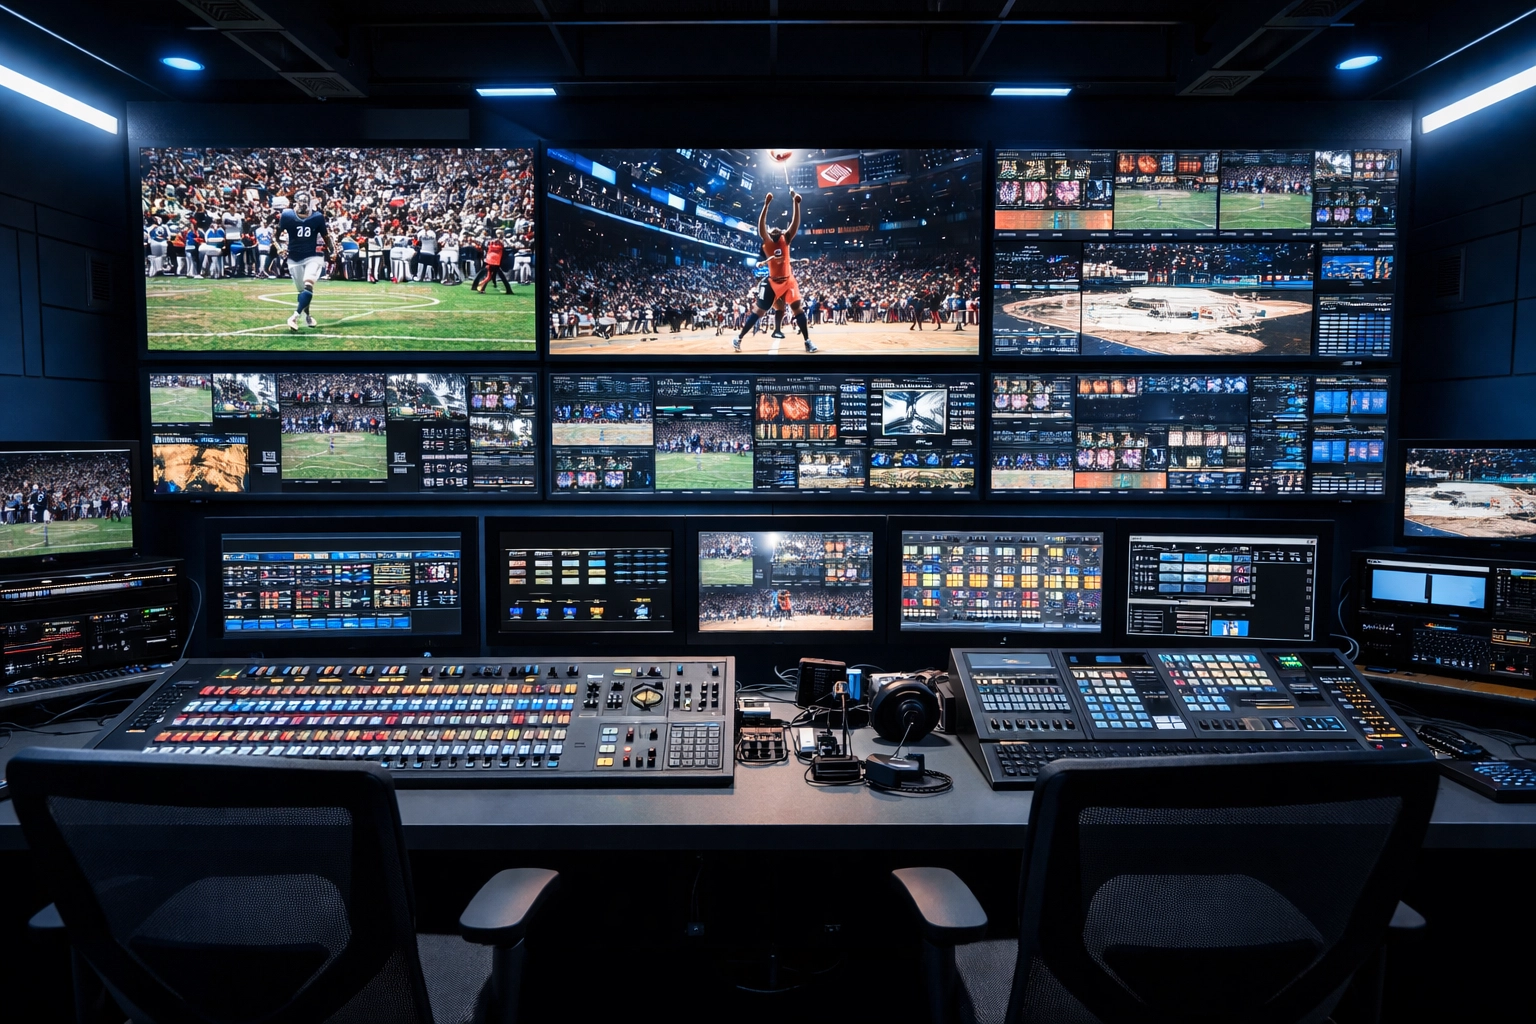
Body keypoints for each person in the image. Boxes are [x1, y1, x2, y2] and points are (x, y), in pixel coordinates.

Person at [732, 191, 816, 353]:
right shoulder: (768, 242)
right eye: (773, 229)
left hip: (788, 280)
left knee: (797, 308)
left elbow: (795, 223)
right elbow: (761, 226)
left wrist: (796, 204)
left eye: (780, 228)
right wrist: (766, 204)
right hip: (772, 281)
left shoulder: (786, 239)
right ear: (770, 234)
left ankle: (807, 341)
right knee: (759, 311)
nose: (777, 228)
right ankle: (739, 338)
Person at [278, 190, 332, 332]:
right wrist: (279, 248)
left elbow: (326, 236)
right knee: (303, 292)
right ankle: (307, 316)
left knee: (309, 284)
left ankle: (294, 317)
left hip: (313, 256)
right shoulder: (287, 215)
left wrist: (333, 251)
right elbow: (274, 235)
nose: (303, 206)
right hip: (294, 258)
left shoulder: (317, 217)